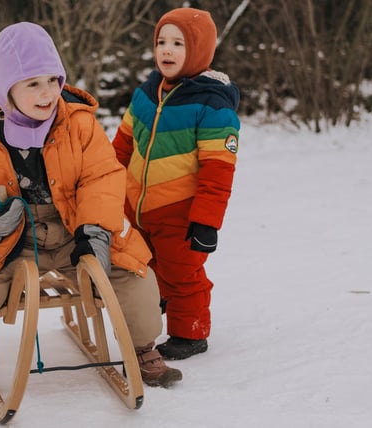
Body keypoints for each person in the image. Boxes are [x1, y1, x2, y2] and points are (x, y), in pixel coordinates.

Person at [0, 22, 182, 413]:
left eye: (53, 79)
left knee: (134, 276)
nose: (48, 92)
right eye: (32, 83)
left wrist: (95, 230)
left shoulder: (78, 124)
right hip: (14, 241)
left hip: (76, 230)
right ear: (6, 88)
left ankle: (142, 347)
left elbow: (102, 175)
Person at [110, 8, 241, 360]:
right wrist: (107, 185)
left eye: (178, 44)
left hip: (181, 212)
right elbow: (122, 144)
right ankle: (156, 305)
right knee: (145, 267)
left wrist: (206, 221)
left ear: (198, 50)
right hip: (136, 207)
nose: (166, 50)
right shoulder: (146, 93)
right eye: (162, 42)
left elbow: (219, 169)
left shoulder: (212, 105)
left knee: (184, 274)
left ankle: (190, 333)